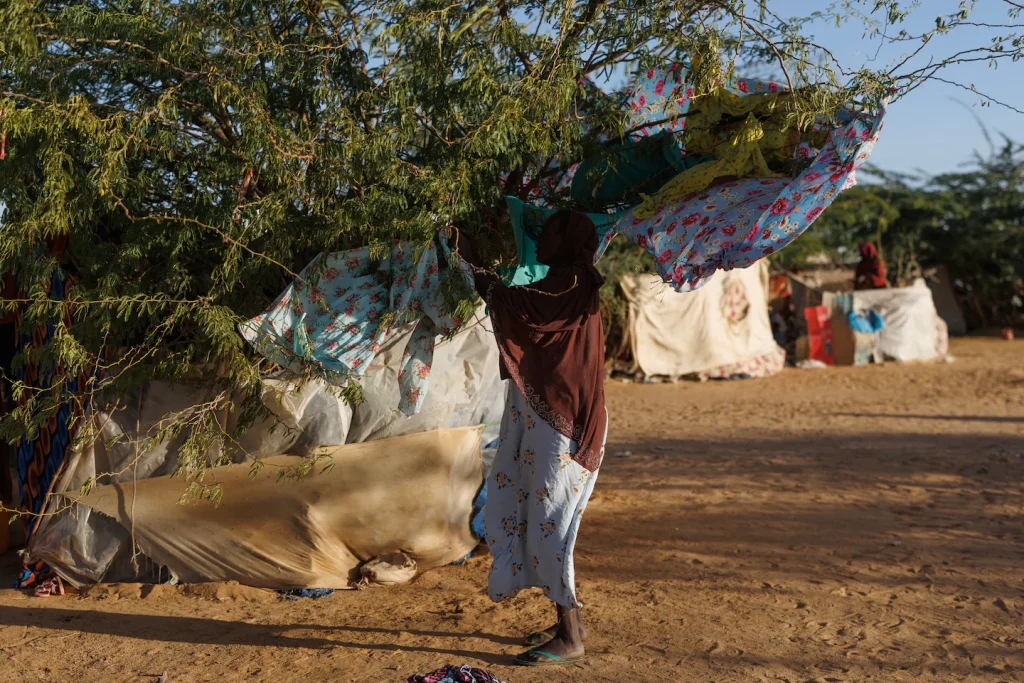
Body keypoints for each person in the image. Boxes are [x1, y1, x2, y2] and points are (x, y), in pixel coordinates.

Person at [456, 210, 608, 667]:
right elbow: (518, 305)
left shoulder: (571, 285)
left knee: (551, 518)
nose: (538, 239)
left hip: (563, 424)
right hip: (548, 418)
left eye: (549, 232)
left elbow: (513, 305)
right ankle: (569, 624)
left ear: (570, 241)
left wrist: (472, 261)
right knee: (541, 514)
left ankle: (569, 635)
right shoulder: (565, 284)